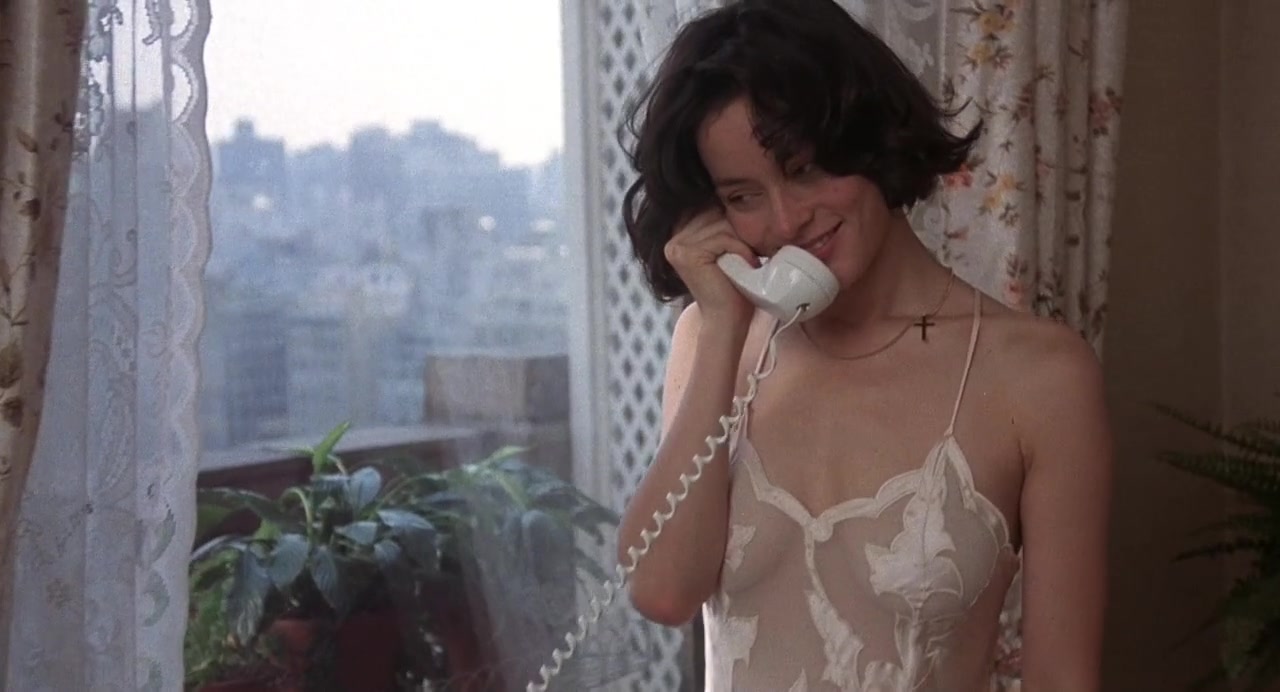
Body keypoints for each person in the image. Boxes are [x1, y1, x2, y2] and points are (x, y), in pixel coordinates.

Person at [614, 1, 1112, 690]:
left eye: (805, 169)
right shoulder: (713, 339)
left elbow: (1062, 678)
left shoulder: (1040, 376)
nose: (787, 219)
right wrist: (724, 327)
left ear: (871, 138)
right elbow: (663, 592)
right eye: (743, 196)